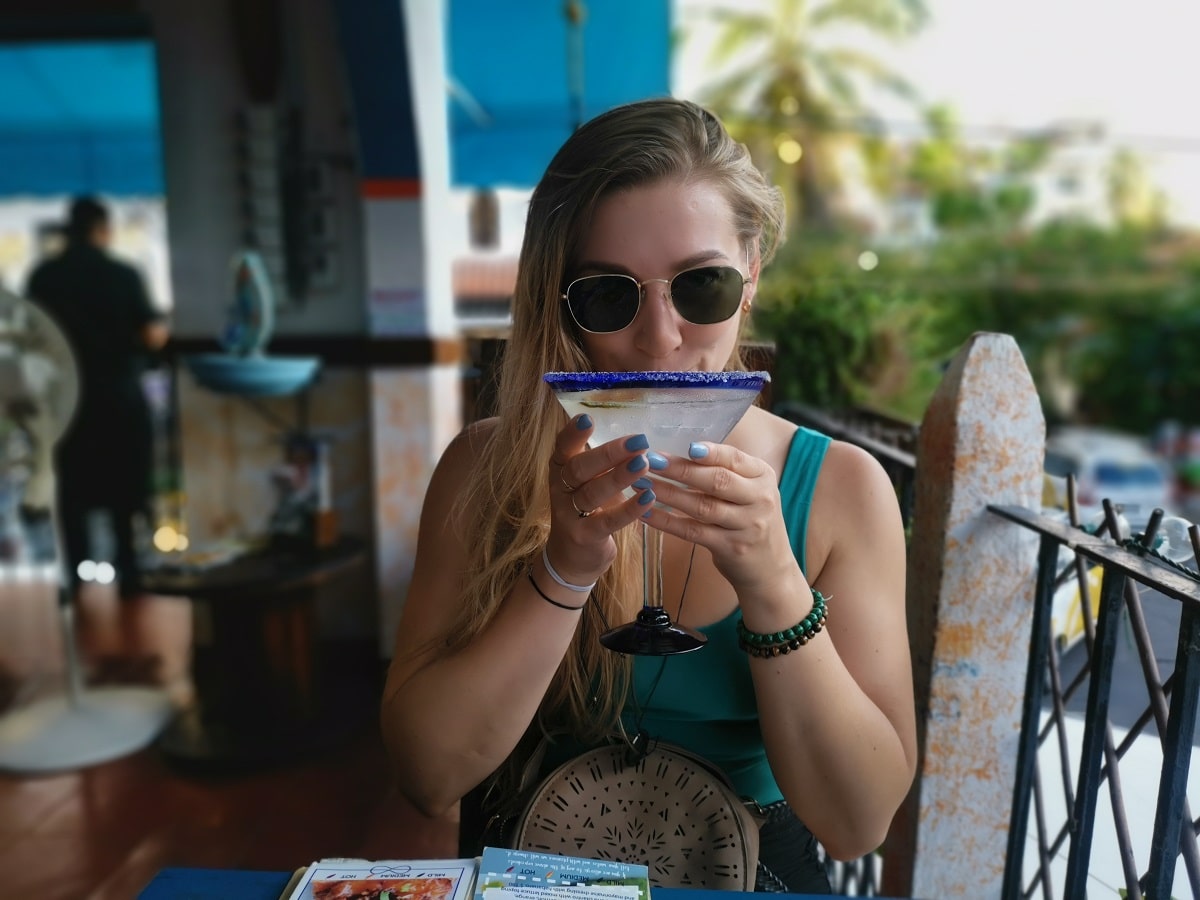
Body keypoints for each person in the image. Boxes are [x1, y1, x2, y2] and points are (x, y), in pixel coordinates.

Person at [381, 98, 916, 892]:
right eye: (609, 295)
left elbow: (857, 821)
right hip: (536, 863)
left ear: (752, 269)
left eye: (701, 286)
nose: (661, 338)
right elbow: (428, 775)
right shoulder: (483, 469)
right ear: (560, 303)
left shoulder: (841, 489)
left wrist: (774, 583)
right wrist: (564, 569)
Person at [24, 195, 169, 683]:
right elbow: (150, 334)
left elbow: (29, 341)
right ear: (102, 229)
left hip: (67, 405)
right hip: (118, 397)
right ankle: (129, 575)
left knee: (75, 492)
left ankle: (79, 575)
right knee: (127, 490)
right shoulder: (123, 274)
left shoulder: (44, 277)